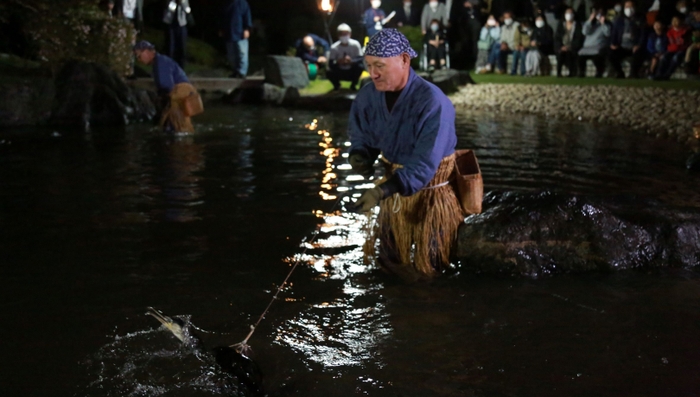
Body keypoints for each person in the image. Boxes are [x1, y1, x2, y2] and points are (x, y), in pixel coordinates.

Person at [347, 29, 462, 281]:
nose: (373, 73)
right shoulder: (368, 96)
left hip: (431, 196)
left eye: (380, 65)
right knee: (388, 262)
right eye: (368, 66)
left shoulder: (433, 103)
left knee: (432, 267)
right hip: (392, 194)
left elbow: (423, 165)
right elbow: (362, 134)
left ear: (404, 60)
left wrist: (379, 192)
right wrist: (360, 154)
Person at [133, 41, 197, 133]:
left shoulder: (161, 63)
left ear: (147, 52)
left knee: (177, 126)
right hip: (181, 93)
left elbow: (166, 85)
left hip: (179, 95)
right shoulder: (160, 61)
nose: (138, 60)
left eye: (139, 56)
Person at [608, 1, 646, 78]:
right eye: (627, 7)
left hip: (634, 47)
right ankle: (620, 73)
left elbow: (643, 34)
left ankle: (633, 74)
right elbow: (614, 33)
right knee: (611, 54)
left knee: (639, 54)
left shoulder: (640, 19)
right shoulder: (619, 20)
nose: (629, 9)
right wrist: (613, 44)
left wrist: (638, 45)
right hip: (621, 46)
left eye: (630, 7)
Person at [327, 24, 364, 91]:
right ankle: (337, 85)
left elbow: (360, 58)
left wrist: (351, 61)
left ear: (350, 34)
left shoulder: (355, 44)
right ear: (338, 35)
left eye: (346, 33)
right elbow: (331, 63)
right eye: (342, 34)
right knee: (328, 71)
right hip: (340, 71)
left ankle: (353, 85)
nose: (344, 36)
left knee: (360, 66)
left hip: (351, 70)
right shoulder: (334, 47)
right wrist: (338, 61)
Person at [223, 0, 252, 79]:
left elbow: (247, 16)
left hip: (241, 33)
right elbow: (223, 17)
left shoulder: (243, 3)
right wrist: (222, 29)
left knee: (242, 53)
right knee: (231, 55)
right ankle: (235, 71)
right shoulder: (227, 4)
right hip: (229, 33)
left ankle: (242, 72)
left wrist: (247, 28)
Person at [654, 15, 690, 79]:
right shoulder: (670, 32)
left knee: (675, 58)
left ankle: (667, 75)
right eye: (673, 21)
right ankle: (659, 74)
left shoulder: (685, 31)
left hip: (681, 50)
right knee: (664, 57)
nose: (674, 22)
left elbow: (684, 43)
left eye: (676, 21)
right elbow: (669, 42)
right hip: (671, 49)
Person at [577, 9, 611, 77]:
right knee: (580, 57)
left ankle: (599, 73)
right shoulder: (590, 25)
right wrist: (590, 20)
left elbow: (608, 33)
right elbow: (584, 32)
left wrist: (603, 23)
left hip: (598, 47)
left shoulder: (607, 25)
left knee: (597, 58)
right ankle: (581, 73)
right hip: (587, 48)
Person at [163, 0, 193, 69]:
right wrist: (175, 2)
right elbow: (169, 7)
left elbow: (187, 7)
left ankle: (181, 70)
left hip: (182, 24)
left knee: (182, 49)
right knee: (170, 49)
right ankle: (169, 69)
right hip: (170, 24)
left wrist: (182, 3)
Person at [554, 7, 584, 76]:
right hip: (562, 47)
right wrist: (561, 47)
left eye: (570, 13)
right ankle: (559, 73)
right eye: (567, 13)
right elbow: (557, 38)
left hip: (572, 47)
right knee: (561, 54)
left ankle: (572, 72)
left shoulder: (577, 25)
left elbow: (578, 38)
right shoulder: (561, 25)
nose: (569, 15)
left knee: (570, 55)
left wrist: (570, 47)